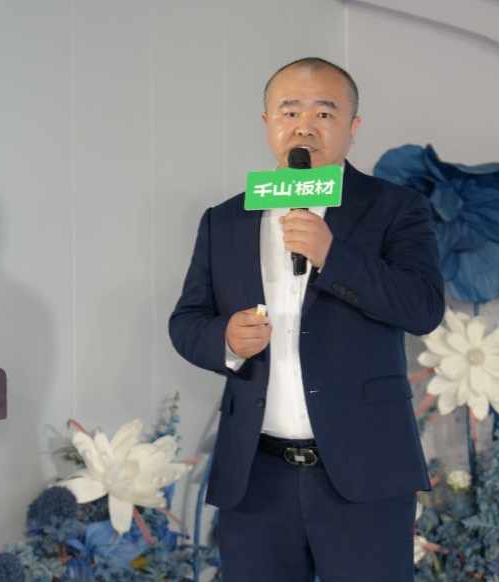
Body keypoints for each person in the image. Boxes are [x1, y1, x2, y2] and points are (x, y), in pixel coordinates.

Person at [169, 57, 445, 582]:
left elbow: (423, 307)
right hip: (256, 475)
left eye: (324, 112)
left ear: (353, 127)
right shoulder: (225, 219)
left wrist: (334, 257)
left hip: (365, 472)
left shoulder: (395, 207)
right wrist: (226, 338)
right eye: (289, 111)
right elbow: (186, 322)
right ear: (267, 122)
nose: (304, 125)